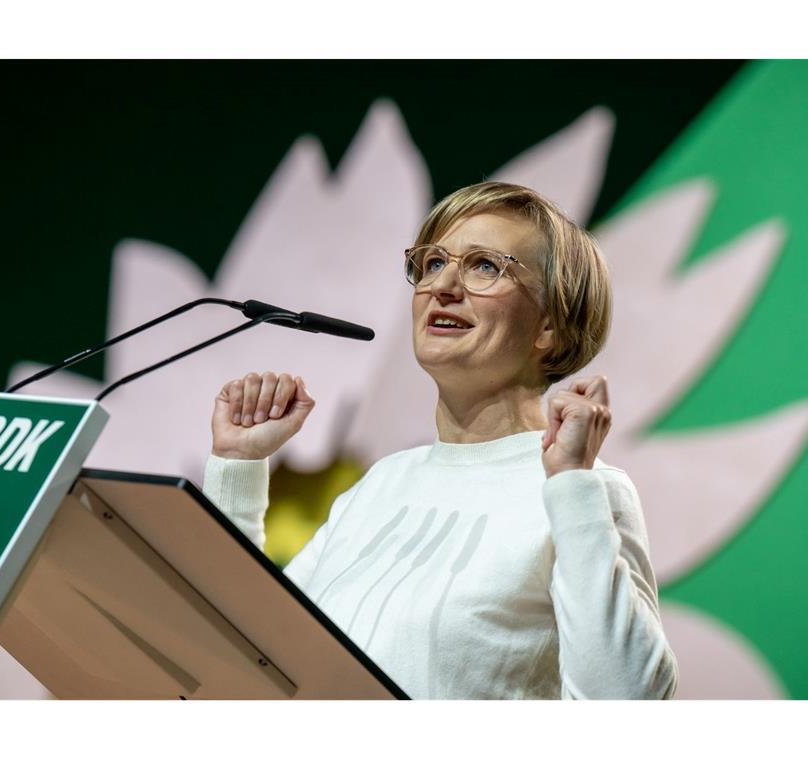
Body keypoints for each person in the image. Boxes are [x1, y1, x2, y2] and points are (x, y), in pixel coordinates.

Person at [202, 181, 678, 699]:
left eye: (485, 266)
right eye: (432, 264)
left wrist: (571, 487)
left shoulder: (583, 489)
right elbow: (254, 644)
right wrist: (237, 466)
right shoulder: (383, 482)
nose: (443, 286)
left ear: (550, 326)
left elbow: (627, 702)